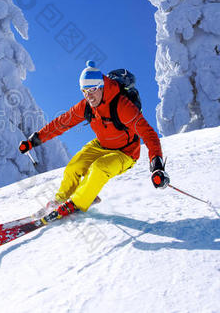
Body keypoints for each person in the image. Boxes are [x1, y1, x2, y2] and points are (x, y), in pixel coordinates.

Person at [19, 60, 169, 219]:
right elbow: (61, 123)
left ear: (102, 86)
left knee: (99, 168)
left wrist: (157, 165)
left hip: (125, 152)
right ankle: (60, 200)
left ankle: (76, 204)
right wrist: (33, 141)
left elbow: (149, 134)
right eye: (84, 91)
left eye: (93, 90)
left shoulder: (122, 106)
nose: (89, 96)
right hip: (101, 145)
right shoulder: (86, 106)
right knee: (74, 167)